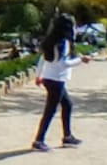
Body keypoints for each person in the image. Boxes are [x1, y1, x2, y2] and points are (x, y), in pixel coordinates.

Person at [32, 14, 91, 152]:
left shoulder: (51, 40)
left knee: (67, 105)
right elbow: (63, 64)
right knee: (50, 111)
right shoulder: (63, 43)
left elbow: (42, 59)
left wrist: (38, 75)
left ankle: (67, 136)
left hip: (49, 78)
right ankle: (39, 140)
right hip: (56, 80)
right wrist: (81, 60)